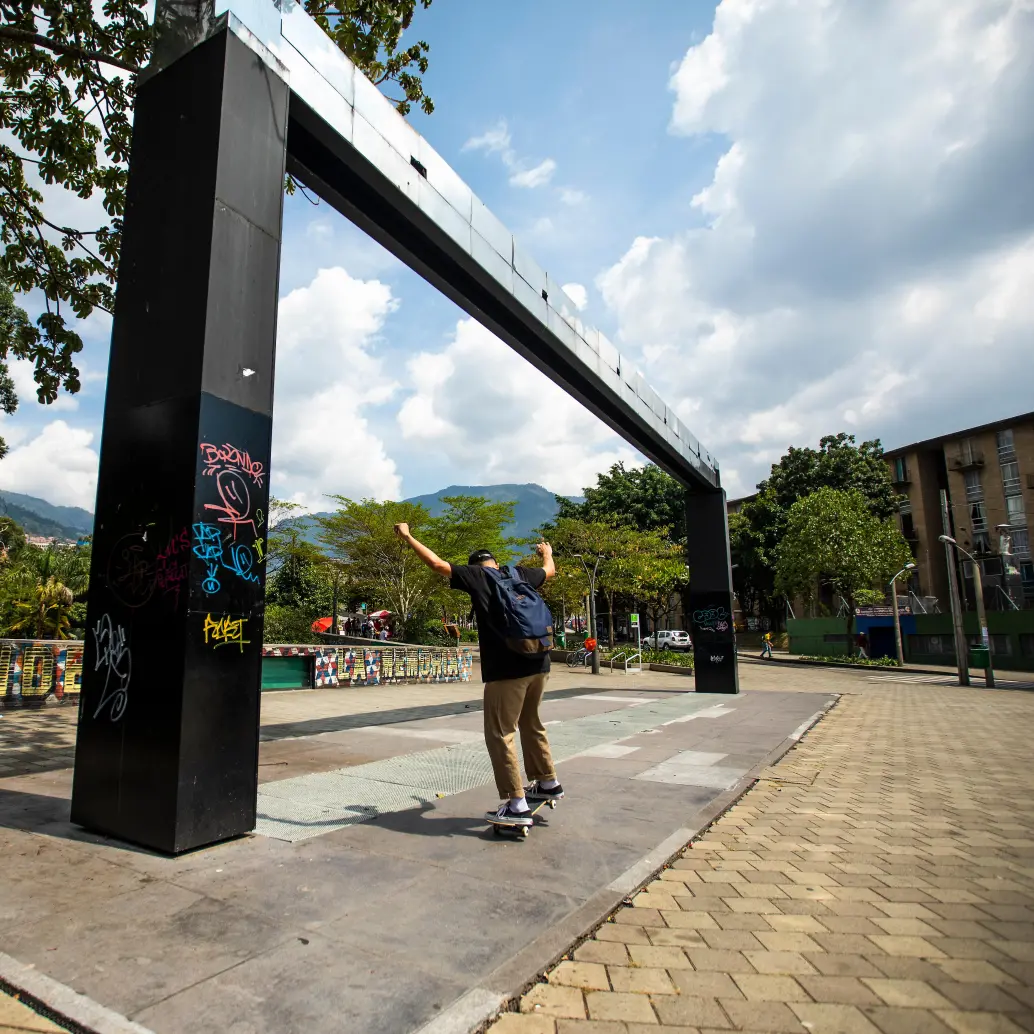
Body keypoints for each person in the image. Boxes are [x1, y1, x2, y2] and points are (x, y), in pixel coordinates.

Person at [394, 522, 562, 829]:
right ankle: (548, 781)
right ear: (496, 563)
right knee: (531, 723)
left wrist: (407, 537)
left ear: (476, 567)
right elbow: (549, 571)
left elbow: (436, 564)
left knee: (501, 733)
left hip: (506, 669)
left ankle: (516, 804)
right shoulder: (519, 574)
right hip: (540, 663)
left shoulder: (476, 576)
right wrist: (546, 553)